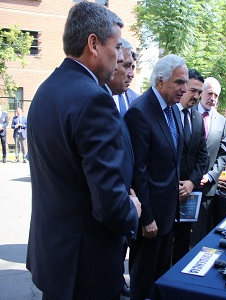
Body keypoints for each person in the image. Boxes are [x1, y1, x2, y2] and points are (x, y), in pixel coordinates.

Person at [26, 2, 141, 299]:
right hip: (85, 266)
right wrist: (132, 210)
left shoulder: (46, 89)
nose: (119, 58)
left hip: (55, 259)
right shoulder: (93, 100)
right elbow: (109, 203)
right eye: (115, 48)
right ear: (93, 44)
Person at [124, 54, 187, 299]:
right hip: (150, 220)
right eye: (179, 82)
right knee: (143, 282)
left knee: (161, 279)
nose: (184, 89)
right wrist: (146, 218)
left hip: (168, 216)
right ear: (160, 81)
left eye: (185, 82)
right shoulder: (140, 111)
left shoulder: (172, 110)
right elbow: (138, 171)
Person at [105, 38, 138, 297]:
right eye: (125, 64)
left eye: (133, 67)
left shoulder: (134, 101)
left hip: (131, 191)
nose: (130, 72)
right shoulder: (99, 99)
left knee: (124, 244)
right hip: (113, 196)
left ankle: (119, 278)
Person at [171, 69, 208, 264]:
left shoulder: (197, 118)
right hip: (166, 194)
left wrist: (192, 183)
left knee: (182, 248)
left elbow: (202, 156)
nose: (196, 96)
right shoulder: (167, 114)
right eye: (193, 90)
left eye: (199, 92)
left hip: (188, 196)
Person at [190, 77, 226, 247]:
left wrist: (211, 176)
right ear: (201, 93)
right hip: (184, 187)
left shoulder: (222, 122)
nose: (213, 98)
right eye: (210, 93)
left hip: (207, 189)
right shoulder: (187, 113)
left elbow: (223, 154)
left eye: (216, 95)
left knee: (200, 238)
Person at [107, 38, 139, 117]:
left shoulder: (137, 100)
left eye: (133, 68)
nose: (131, 75)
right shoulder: (94, 98)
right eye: (127, 66)